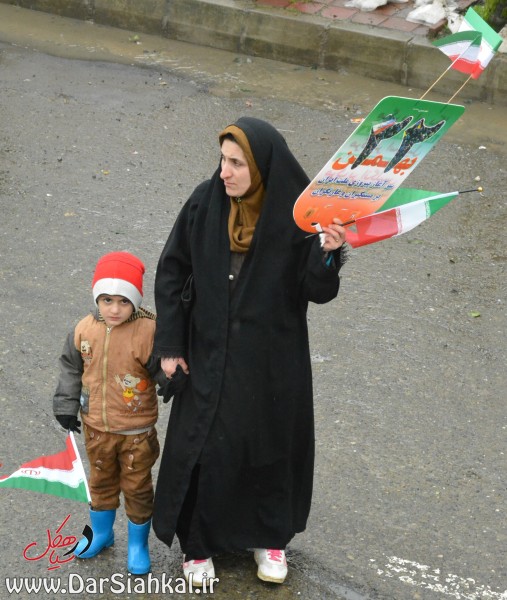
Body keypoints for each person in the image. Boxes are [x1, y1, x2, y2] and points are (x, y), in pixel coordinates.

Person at [152, 117, 347, 586]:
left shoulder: (300, 216)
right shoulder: (205, 202)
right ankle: (198, 545)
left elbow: (317, 291)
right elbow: (172, 270)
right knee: (205, 449)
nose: (225, 171)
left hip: (273, 364)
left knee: (267, 447)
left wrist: (328, 253)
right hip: (208, 352)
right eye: (223, 159)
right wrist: (171, 345)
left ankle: (269, 537)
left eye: (237, 163)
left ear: (261, 167)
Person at [52, 251, 166, 575]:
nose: (114, 309)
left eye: (123, 301)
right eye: (106, 300)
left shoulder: (149, 330)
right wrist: (66, 405)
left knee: (137, 487)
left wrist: (173, 381)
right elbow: (71, 369)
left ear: (135, 301)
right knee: (100, 482)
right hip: (97, 429)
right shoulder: (83, 329)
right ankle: (101, 533)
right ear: (97, 299)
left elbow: (162, 367)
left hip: (136, 433)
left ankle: (137, 544)